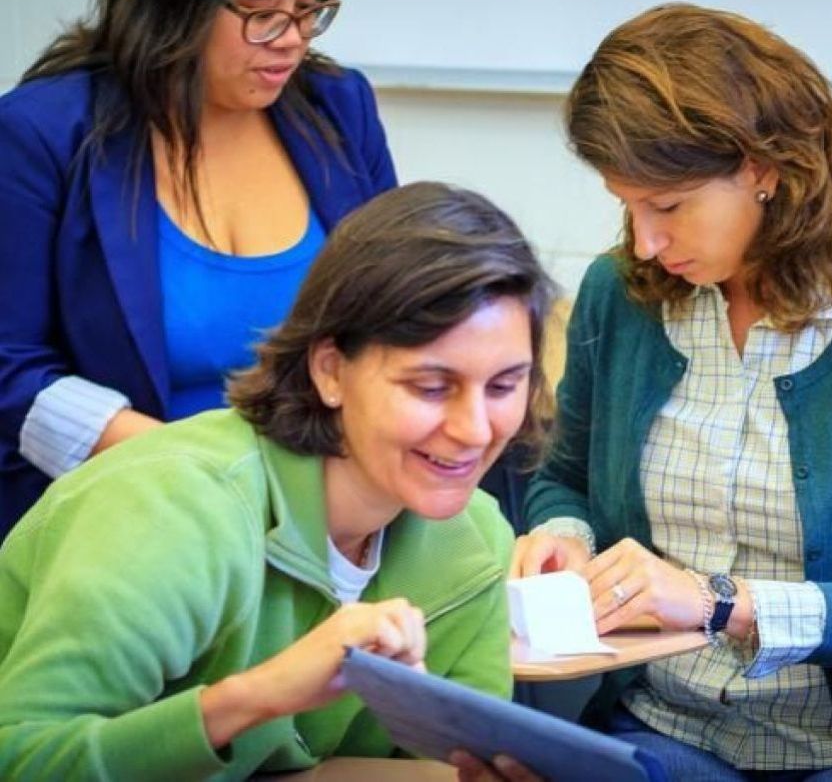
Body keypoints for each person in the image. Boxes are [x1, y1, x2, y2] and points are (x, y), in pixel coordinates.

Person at [512, 3, 832, 779]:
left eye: (668, 206)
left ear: (764, 168)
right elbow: (564, 479)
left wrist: (716, 603)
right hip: (660, 723)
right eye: (626, 205)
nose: (644, 241)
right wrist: (567, 536)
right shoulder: (620, 294)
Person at [0, 182, 553, 779]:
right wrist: (257, 697)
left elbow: (435, 767)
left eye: (503, 386)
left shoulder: (475, 541)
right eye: (430, 386)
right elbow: (23, 759)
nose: (474, 430)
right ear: (330, 370)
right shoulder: (173, 510)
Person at [0, 0, 397, 534]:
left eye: (309, 9)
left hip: (323, 514)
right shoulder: (45, 134)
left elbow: (400, 310)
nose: (291, 38)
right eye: (262, 13)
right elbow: (10, 365)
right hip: (123, 516)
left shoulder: (338, 107)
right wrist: (213, 478)